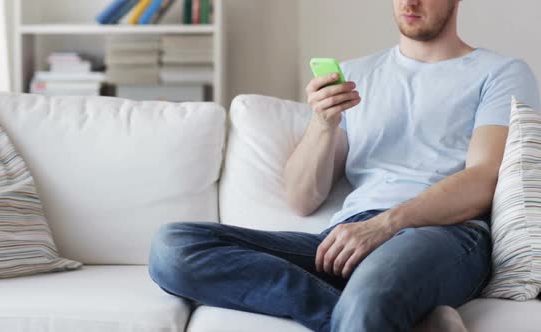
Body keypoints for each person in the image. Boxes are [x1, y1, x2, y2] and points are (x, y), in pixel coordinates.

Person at [148, 0, 541, 331]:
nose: (409, 2)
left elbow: (482, 179)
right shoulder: (354, 75)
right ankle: (389, 319)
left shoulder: (500, 72)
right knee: (173, 248)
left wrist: (384, 225)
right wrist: (323, 124)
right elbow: (302, 199)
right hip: (346, 238)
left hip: (443, 235)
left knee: (372, 292)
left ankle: (373, 308)